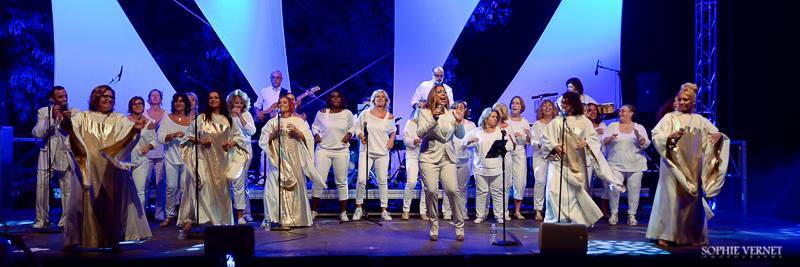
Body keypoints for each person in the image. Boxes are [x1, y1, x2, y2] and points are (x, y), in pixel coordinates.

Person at [61, 85, 149, 250]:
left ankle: (112, 240)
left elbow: (127, 134)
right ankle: (75, 239)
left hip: (110, 169)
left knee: (111, 205)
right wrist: (66, 122)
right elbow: (71, 132)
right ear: (96, 98)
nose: (109, 99)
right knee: (79, 203)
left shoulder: (118, 118)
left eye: (111, 97)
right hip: (87, 168)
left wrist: (134, 130)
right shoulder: (83, 116)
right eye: (105, 96)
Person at [646, 83, 729, 247]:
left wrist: (719, 135)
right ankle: (665, 234)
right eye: (681, 99)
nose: (683, 102)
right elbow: (656, 135)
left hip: (692, 167)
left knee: (692, 202)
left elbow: (714, 133)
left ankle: (693, 235)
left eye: (686, 100)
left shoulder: (699, 121)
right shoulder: (669, 118)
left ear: (692, 102)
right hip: (672, 167)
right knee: (669, 199)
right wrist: (670, 138)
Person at [541, 92, 624, 227]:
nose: (562, 104)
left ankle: (577, 221)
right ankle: (555, 220)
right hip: (558, 162)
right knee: (554, 190)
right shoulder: (557, 121)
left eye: (566, 102)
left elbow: (594, 139)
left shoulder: (584, 121)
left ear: (573, 104)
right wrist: (555, 146)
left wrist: (586, 143)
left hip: (576, 162)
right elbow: (546, 138)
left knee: (576, 192)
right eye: (562, 102)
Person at [177, 91, 247, 231]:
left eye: (216, 97)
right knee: (203, 186)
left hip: (221, 162)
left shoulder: (228, 119)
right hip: (204, 159)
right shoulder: (202, 118)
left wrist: (231, 143)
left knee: (221, 191)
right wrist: (200, 141)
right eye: (210, 98)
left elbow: (239, 138)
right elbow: (187, 137)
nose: (213, 100)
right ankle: (204, 220)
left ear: (220, 100)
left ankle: (220, 221)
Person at [259, 95, 324, 227]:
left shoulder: (298, 121)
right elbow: (263, 140)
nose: (282, 104)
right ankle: (275, 218)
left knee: (294, 186)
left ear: (290, 105)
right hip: (278, 161)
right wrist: (273, 134)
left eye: (285, 102)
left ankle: (296, 218)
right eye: (280, 102)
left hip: (294, 159)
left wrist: (297, 132)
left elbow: (309, 138)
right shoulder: (272, 122)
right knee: (273, 189)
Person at [417, 85, 466, 241]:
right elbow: (420, 133)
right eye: (439, 92)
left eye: (444, 92)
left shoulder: (451, 113)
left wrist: (459, 122)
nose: (443, 94)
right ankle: (433, 225)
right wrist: (434, 118)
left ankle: (459, 226)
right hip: (429, 157)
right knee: (431, 191)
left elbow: (460, 135)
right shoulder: (424, 113)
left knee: (452, 190)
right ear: (433, 96)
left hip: (447, 157)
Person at [32, 86, 79, 229]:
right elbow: (37, 133)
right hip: (47, 154)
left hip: (66, 153)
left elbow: (76, 132)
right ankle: (42, 221)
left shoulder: (75, 112)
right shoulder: (43, 112)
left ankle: (66, 221)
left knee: (68, 189)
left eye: (65, 96)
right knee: (42, 188)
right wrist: (52, 119)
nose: (64, 99)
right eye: (60, 97)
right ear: (52, 99)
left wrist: (64, 119)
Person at [310, 90, 354, 222]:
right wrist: (316, 135)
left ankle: (343, 212)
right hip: (323, 150)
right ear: (329, 99)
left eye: (338, 97)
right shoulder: (322, 113)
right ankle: (313, 211)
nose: (335, 99)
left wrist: (349, 135)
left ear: (342, 99)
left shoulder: (347, 113)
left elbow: (352, 127)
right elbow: (314, 126)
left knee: (341, 181)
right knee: (319, 180)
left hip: (341, 150)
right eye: (333, 97)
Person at [464, 108, 515, 224]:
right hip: (480, 167)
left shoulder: (500, 131)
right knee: (481, 192)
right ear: (486, 118)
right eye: (492, 116)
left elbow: (511, 146)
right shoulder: (477, 131)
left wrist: (503, 147)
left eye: (496, 117)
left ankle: (499, 215)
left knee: (497, 192)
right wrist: (469, 141)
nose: (495, 119)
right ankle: (481, 215)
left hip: (496, 167)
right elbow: (463, 142)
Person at [603, 104, 650, 226]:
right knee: (614, 187)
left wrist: (640, 138)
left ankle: (631, 215)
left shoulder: (639, 127)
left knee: (634, 189)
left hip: (635, 164)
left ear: (631, 113)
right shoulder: (613, 126)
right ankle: (614, 213)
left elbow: (645, 143)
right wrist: (610, 139)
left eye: (624, 111)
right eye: (620, 111)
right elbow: (603, 141)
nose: (620, 113)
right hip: (615, 163)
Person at [353, 90, 397, 221]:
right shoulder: (365, 114)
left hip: (382, 152)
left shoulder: (389, 116)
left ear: (386, 100)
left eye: (383, 97)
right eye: (377, 96)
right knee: (361, 180)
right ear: (373, 99)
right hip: (366, 151)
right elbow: (357, 127)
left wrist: (391, 140)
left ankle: (384, 209)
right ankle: (358, 207)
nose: (380, 98)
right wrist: (360, 135)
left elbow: (393, 131)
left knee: (382, 181)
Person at [156, 93, 191, 227]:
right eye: (176, 101)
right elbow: (160, 138)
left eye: (181, 101)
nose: (178, 103)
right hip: (171, 157)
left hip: (186, 159)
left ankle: (183, 216)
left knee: (184, 188)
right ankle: (169, 215)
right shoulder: (167, 118)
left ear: (185, 103)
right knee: (171, 187)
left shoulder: (191, 119)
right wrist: (173, 135)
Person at [442, 101, 476, 220]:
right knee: (449, 187)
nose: (460, 110)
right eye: (457, 108)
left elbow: (475, 143)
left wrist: (469, 143)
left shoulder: (471, 125)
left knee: (462, 188)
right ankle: (447, 211)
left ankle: (462, 211)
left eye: (462, 108)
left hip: (464, 160)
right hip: (449, 159)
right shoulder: (448, 123)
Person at [227, 89, 257, 224]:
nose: (237, 105)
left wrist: (240, 117)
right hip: (227, 153)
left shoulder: (246, 114)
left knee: (240, 182)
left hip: (244, 153)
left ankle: (243, 213)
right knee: (232, 183)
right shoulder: (225, 115)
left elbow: (251, 131)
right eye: (235, 103)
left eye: (240, 103)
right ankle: (233, 212)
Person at [128, 97, 158, 223]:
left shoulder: (149, 122)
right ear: (131, 106)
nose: (137, 105)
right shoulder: (124, 120)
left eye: (140, 103)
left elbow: (153, 140)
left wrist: (149, 146)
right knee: (126, 191)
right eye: (135, 104)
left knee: (140, 191)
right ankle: (127, 220)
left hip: (141, 159)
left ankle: (140, 220)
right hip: (126, 159)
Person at [530, 99, 557, 222]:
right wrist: (541, 145)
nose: (547, 107)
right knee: (540, 181)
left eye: (549, 105)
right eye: (544, 106)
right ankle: (538, 209)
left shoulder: (557, 123)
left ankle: (551, 210)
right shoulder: (537, 124)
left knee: (553, 183)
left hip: (555, 157)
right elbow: (533, 141)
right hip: (540, 157)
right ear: (541, 109)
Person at [144, 89, 167, 221]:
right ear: (149, 98)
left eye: (157, 95)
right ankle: (143, 211)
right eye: (152, 95)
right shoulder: (144, 113)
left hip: (162, 151)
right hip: (147, 152)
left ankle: (159, 212)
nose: (155, 97)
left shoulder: (166, 114)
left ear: (161, 98)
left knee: (160, 184)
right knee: (145, 182)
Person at [507, 96, 531, 220]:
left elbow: (528, 141)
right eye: (513, 103)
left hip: (520, 152)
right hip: (507, 152)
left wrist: (525, 136)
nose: (515, 105)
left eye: (517, 103)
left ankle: (517, 210)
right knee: (506, 181)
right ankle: (504, 210)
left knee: (520, 181)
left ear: (521, 107)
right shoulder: (505, 120)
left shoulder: (525, 122)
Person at [400, 109, 428, 220]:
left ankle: (423, 211)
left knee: (426, 185)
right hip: (412, 156)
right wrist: (416, 141)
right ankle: (406, 210)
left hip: (426, 156)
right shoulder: (410, 123)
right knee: (411, 182)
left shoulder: (429, 124)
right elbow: (405, 140)